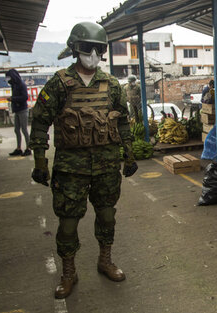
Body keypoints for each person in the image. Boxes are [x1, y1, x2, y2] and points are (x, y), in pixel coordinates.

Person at [29, 22, 138, 299]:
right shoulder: (59, 83)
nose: (93, 53)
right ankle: (68, 272)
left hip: (106, 166)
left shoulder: (111, 84)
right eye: (87, 48)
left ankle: (105, 260)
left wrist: (130, 153)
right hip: (70, 169)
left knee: (107, 215)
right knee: (67, 223)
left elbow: (123, 121)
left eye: (98, 48)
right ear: (75, 49)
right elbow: (40, 122)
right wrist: (40, 161)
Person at [6, 69, 31, 156]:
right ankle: (18, 148)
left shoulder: (21, 84)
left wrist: (12, 99)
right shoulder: (14, 85)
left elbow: (25, 97)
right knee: (16, 130)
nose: (8, 80)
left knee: (24, 129)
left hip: (23, 110)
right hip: (17, 110)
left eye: (9, 78)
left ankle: (28, 148)